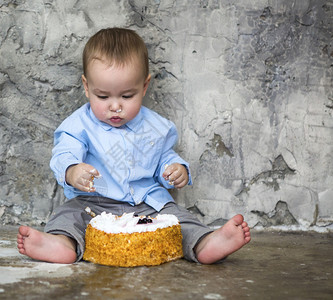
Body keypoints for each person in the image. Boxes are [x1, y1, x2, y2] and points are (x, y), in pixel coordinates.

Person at [17, 27, 251, 265]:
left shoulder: (156, 127)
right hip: (94, 203)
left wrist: (175, 169)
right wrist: (71, 170)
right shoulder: (79, 125)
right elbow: (64, 152)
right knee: (68, 216)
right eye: (103, 96)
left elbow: (163, 157)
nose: (115, 106)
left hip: (148, 204)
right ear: (87, 87)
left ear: (144, 87)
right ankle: (61, 244)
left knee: (178, 219)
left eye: (127, 96)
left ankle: (204, 243)